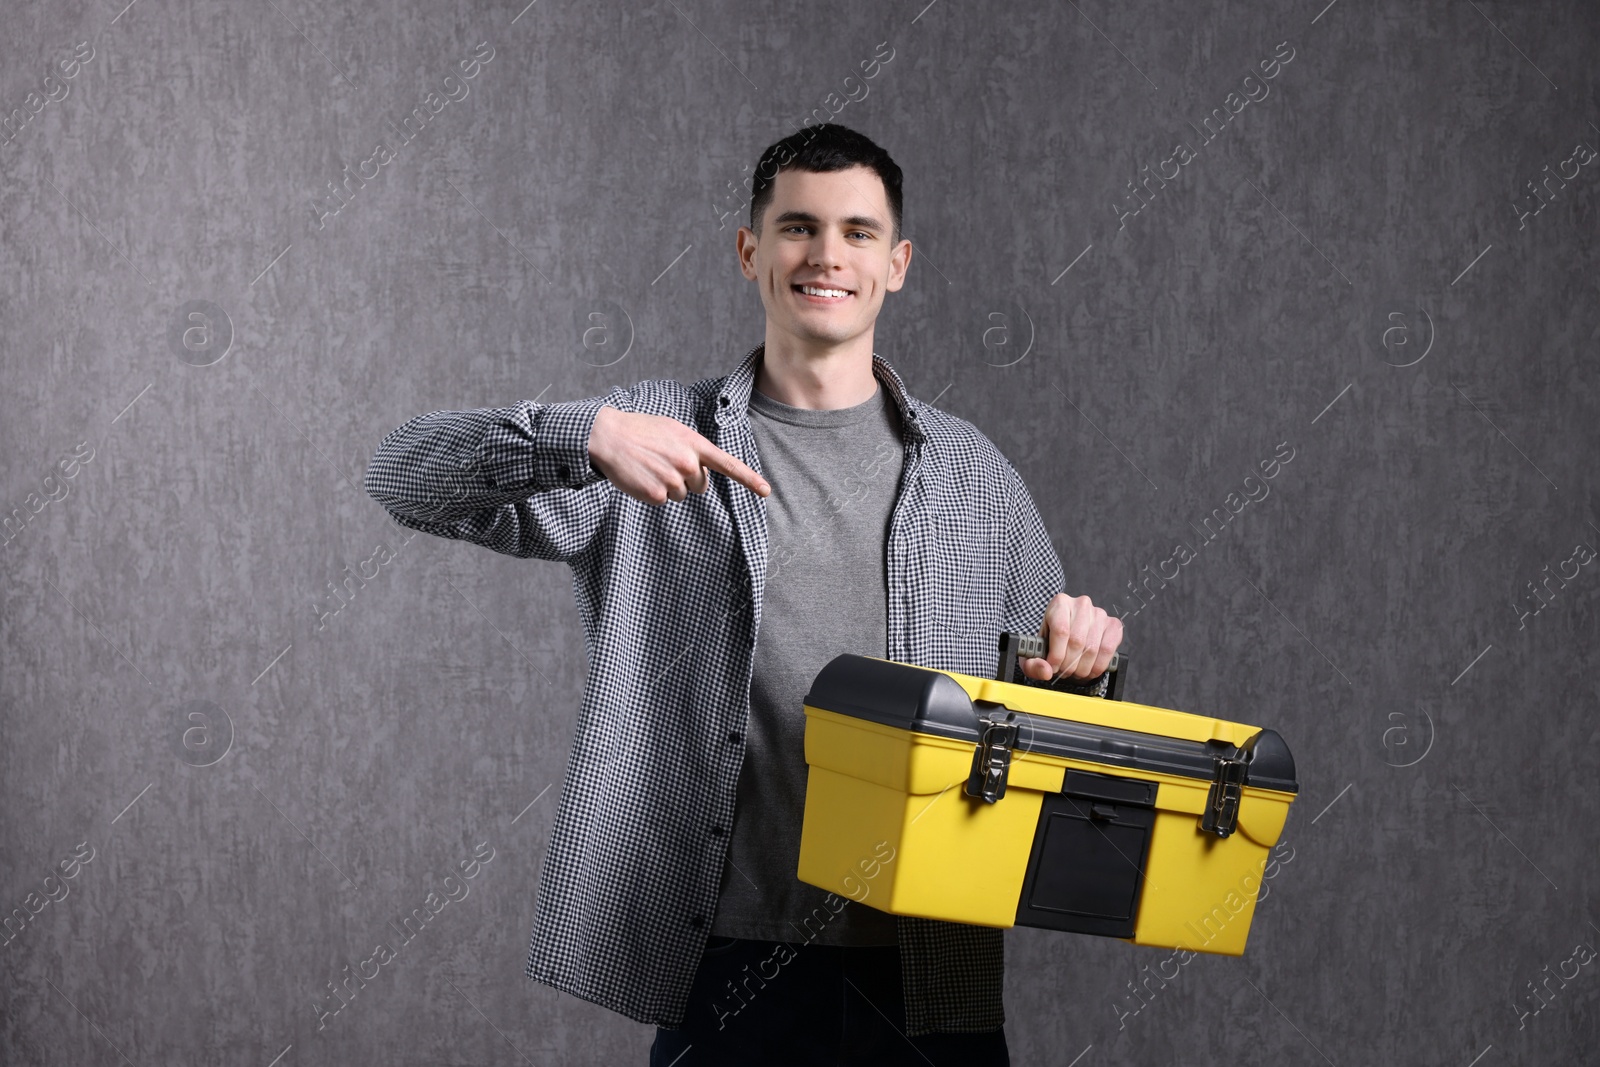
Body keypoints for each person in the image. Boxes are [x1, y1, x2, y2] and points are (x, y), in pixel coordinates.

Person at [364, 122, 1123, 1066]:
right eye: (798, 227)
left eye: (857, 232)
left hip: (932, 975)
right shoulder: (647, 439)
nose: (826, 255)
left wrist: (1085, 669)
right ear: (750, 251)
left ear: (897, 264)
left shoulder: (973, 473)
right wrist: (581, 434)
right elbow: (403, 477)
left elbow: (1059, 741)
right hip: (723, 970)